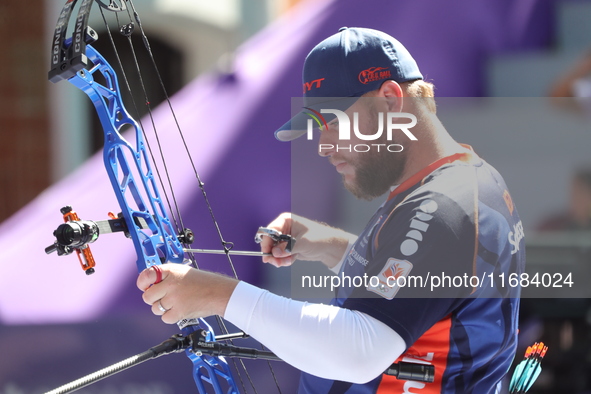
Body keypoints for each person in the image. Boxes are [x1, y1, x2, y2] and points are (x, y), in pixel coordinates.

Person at [136, 27, 525, 393]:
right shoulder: (462, 181)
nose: (323, 145)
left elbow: (359, 352)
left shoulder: (443, 207)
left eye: (332, 121)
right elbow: (423, 284)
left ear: (390, 99)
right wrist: (331, 245)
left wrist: (217, 295)